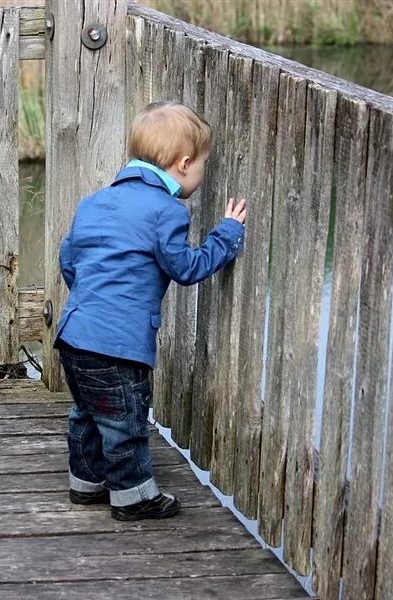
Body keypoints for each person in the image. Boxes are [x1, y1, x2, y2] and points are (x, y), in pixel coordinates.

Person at [53, 100, 247, 521]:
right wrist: (227, 234)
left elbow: (68, 259)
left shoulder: (94, 203)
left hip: (73, 334)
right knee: (124, 419)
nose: (201, 175)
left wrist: (92, 301)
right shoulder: (166, 211)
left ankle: (86, 483)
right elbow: (186, 267)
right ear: (184, 163)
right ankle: (133, 496)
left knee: (88, 411)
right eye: (203, 167)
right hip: (117, 345)